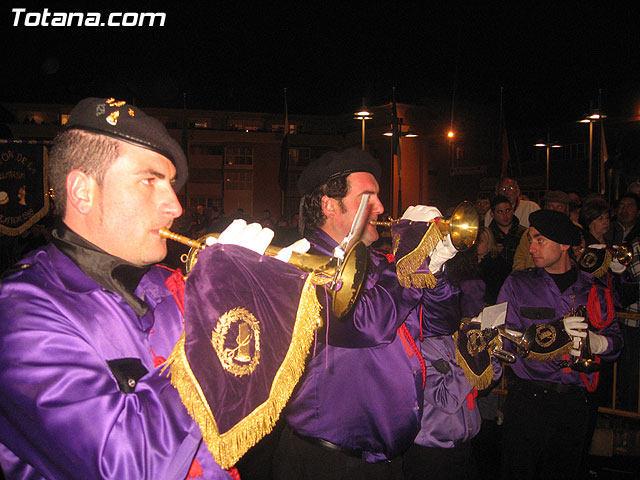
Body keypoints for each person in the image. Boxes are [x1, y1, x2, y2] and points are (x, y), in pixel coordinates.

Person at [0, 97, 290, 479]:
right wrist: (227, 310)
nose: (175, 206)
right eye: (149, 181)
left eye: (169, 185)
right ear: (82, 191)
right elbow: (127, 465)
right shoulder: (19, 313)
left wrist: (272, 303)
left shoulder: (169, 285)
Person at [272, 148, 461, 480]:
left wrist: (434, 268)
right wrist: (411, 261)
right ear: (330, 205)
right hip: (326, 462)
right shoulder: (301, 264)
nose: (382, 208)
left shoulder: (380, 264)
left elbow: (438, 324)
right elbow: (363, 326)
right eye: (367, 198)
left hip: (385, 460)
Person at [498, 209, 623, 480]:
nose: (531, 248)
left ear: (564, 245)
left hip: (575, 403)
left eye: (540, 240)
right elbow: (503, 339)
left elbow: (616, 342)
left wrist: (598, 343)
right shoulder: (518, 283)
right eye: (531, 239)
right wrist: (553, 334)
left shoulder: (592, 287)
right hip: (529, 399)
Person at [512, 190, 572, 271]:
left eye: (559, 207)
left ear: (567, 210)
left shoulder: (575, 232)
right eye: (551, 206)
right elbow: (520, 258)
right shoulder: (531, 232)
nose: (554, 210)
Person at [487, 194, 526, 268]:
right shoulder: (488, 236)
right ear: (492, 214)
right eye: (500, 212)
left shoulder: (524, 233)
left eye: (508, 210)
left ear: (513, 211)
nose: (505, 215)